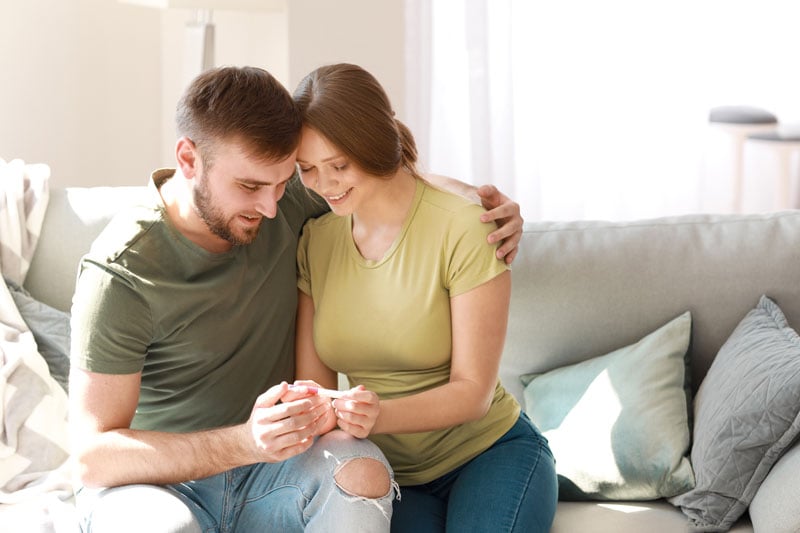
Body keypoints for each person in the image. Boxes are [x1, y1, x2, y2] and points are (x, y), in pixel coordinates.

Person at [68, 66, 525, 533]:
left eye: (286, 179)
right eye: (249, 186)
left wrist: (481, 202)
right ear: (189, 159)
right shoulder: (120, 273)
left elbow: (376, 177)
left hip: (280, 467)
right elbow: (90, 456)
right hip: (162, 482)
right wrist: (245, 442)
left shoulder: (289, 205)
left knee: (361, 470)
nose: (270, 207)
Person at [292, 63, 558, 533]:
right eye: (307, 169)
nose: (324, 184)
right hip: (388, 473)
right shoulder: (316, 239)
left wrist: (376, 416)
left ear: (376, 144)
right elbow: (316, 390)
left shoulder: (466, 228)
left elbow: (473, 393)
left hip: (489, 454)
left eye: (339, 165)